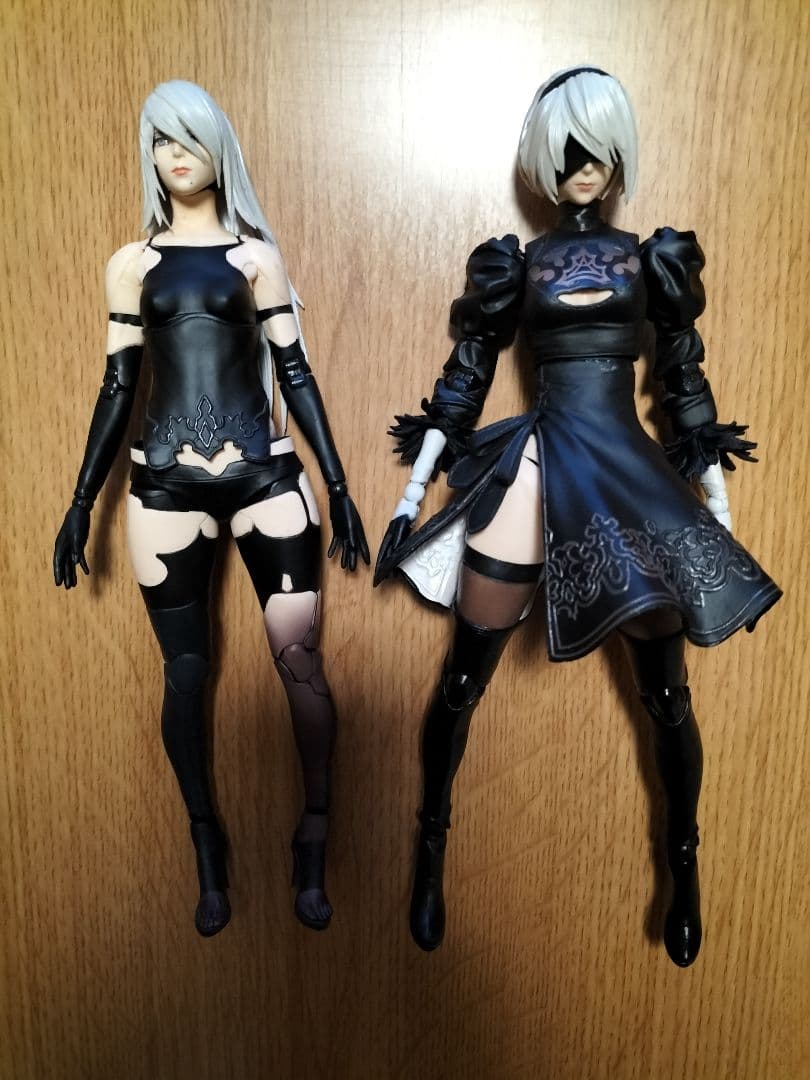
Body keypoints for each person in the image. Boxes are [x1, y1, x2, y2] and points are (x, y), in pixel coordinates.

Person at [375, 66, 780, 967]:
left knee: (666, 695)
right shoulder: (516, 264)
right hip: (541, 454)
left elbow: (682, 378)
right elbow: (465, 379)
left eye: (594, 151)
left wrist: (717, 509)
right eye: (565, 156)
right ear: (543, 165)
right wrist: (410, 495)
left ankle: (685, 870)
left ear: (617, 153)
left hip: (629, 466)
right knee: (461, 678)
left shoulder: (651, 257)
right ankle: (430, 853)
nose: (582, 169)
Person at [53, 80, 368, 937]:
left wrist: (339, 486)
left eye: (188, 137)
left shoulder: (256, 258)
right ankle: (206, 847)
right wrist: (81, 501)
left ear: (217, 146)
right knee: (185, 674)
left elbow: (295, 373)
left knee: (300, 664)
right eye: (160, 140)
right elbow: (117, 387)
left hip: (265, 478)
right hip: (165, 485)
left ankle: (313, 834)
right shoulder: (132, 265)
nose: (175, 154)